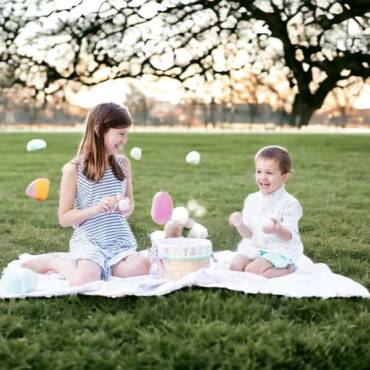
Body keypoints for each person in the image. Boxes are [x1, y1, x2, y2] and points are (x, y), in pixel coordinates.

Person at [23, 103, 150, 285]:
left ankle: (104, 266)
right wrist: (96, 209)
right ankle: (53, 262)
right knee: (86, 279)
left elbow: (130, 205)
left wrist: (125, 208)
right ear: (99, 131)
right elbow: (64, 218)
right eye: (121, 134)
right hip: (89, 238)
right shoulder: (73, 170)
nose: (125, 140)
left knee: (141, 267)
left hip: (118, 238)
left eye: (126, 134)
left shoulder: (123, 163)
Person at [229, 145, 303, 278]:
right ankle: (259, 262)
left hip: (279, 250)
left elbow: (289, 236)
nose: (262, 177)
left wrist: (277, 229)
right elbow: (248, 235)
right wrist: (239, 224)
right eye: (259, 171)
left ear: (284, 177)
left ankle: (288, 269)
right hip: (256, 247)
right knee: (235, 267)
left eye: (269, 173)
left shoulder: (289, 203)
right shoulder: (251, 199)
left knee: (253, 271)